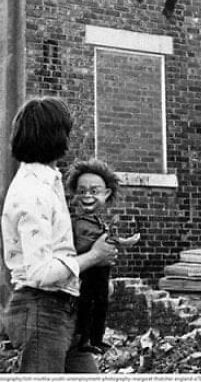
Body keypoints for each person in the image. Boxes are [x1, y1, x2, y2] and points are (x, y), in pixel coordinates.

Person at [2, 97, 118, 373]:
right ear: (55, 136)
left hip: (64, 306)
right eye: (66, 131)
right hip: (41, 309)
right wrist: (94, 257)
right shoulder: (33, 193)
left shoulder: (50, 182)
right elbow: (41, 272)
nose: (69, 138)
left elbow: (60, 254)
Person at [66, 159, 140, 354]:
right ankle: (84, 340)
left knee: (101, 305)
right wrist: (96, 250)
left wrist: (125, 242)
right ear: (75, 194)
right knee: (85, 306)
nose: (87, 196)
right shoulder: (76, 224)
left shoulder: (99, 222)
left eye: (94, 191)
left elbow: (108, 239)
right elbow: (82, 247)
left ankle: (97, 339)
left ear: (106, 194)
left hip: (101, 274)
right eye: (82, 191)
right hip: (87, 274)